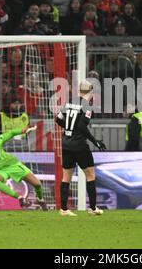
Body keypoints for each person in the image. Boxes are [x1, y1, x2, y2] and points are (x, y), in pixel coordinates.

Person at [55, 81, 107, 216]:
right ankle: (93, 208)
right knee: (90, 175)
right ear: (90, 92)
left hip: (66, 144)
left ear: (78, 90)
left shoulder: (68, 103)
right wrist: (95, 141)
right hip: (79, 145)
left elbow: (58, 119)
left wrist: (68, 129)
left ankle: (64, 209)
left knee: (66, 176)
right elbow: (82, 126)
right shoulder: (87, 107)